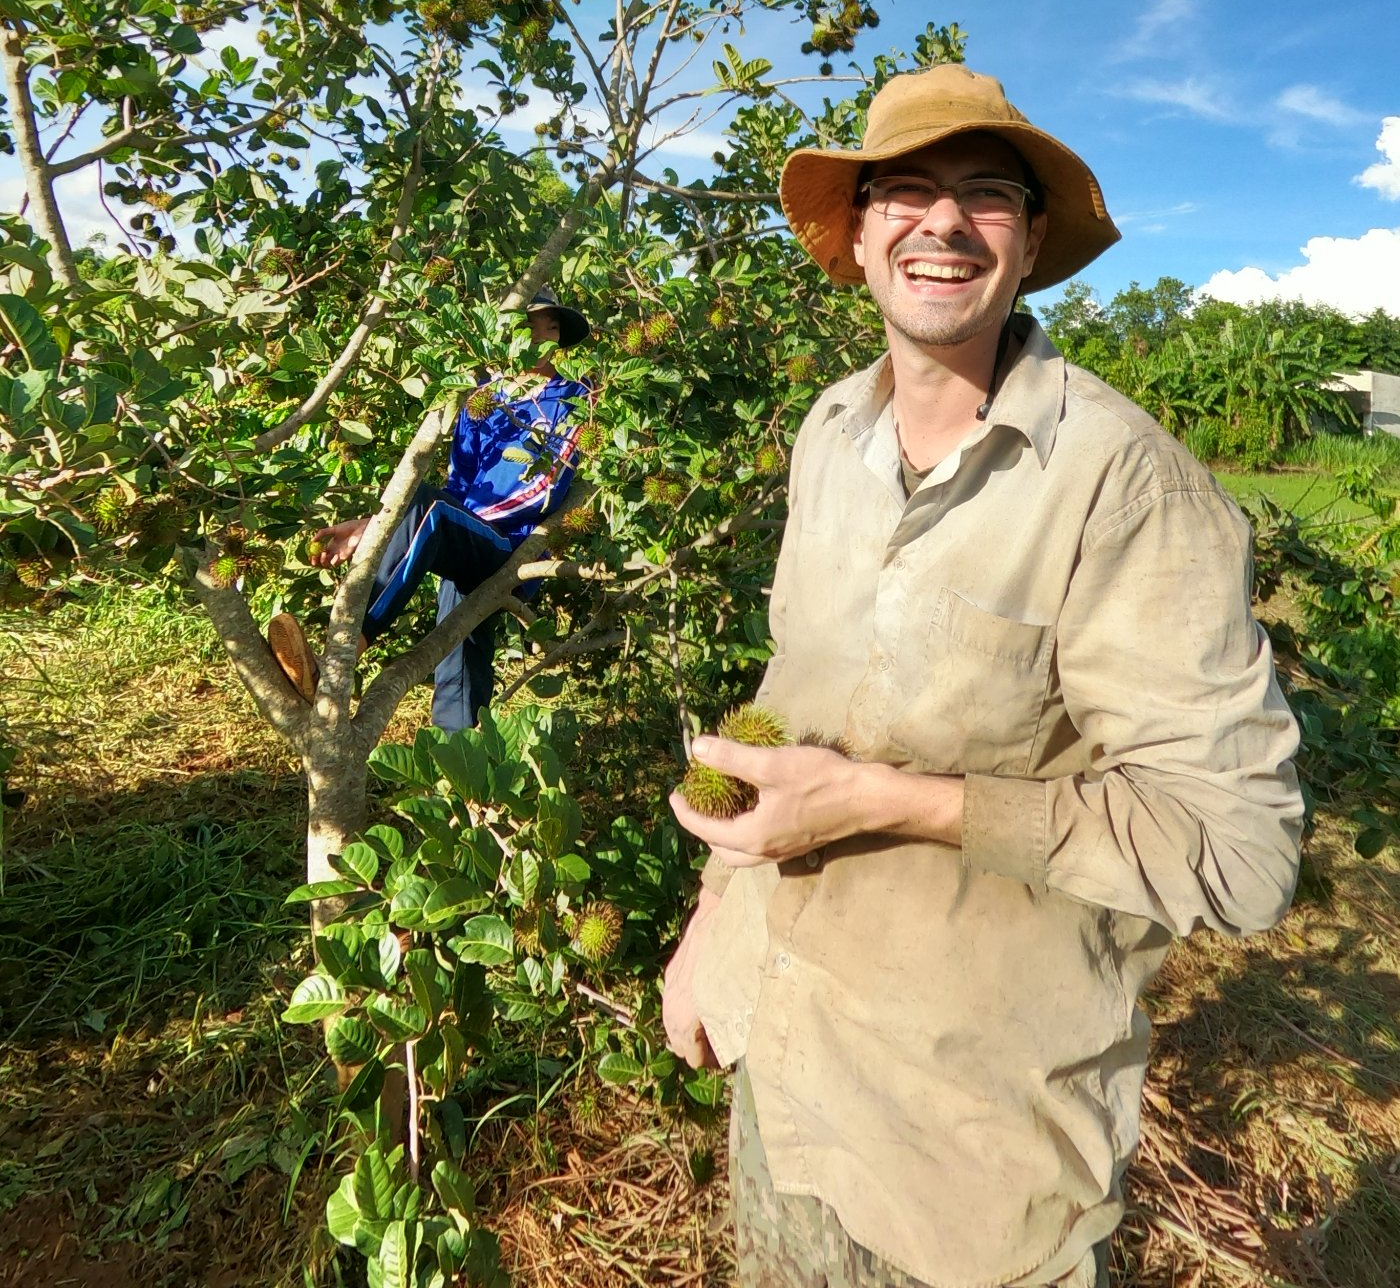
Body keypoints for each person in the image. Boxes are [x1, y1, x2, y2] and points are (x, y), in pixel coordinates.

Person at [663, 63, 1302, 1288]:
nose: (943, 221)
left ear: (1032, 238)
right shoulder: (828, 436)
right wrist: (708, 926)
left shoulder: (1123, 482)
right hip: (783, 1072)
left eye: (987, 195)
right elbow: (790, 708)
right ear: (857, 236)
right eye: (905, 188)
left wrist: (887, 801)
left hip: (965, 1154)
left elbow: (1243, 851)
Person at [265, 288, 589, 731]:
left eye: (527, 323)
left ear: (553, 328)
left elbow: (543, 489)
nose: (515, 334)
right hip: (463, 532)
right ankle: (465, 773)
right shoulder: (484, 398)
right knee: (458, 664)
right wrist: (374, 524)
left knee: (431, 509)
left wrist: (450, 517)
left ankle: (344, 651)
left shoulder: (573, 399)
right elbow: (457, 481)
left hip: (511, 545)